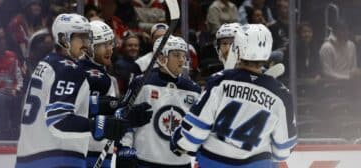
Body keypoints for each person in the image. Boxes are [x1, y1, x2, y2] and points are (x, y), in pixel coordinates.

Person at [15, 13, 152, 168]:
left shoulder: (48, 63)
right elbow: (58, 119)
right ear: (63, 39)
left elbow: (69, 104)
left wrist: (110, 106)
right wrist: (101, 125)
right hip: (57, 157)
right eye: (82, 38)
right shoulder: (69, 69)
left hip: (30, 155)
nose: (87, 45)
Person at [170, 24, 297, 168]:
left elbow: (195, 131)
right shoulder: (282, 94)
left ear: (238, 47)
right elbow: (283, 150)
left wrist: (179, 142)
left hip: (214, 162)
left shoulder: (220, 81)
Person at [117, 36, 201, 168]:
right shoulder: (142, 83)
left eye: (183, 55)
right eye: (176, 55)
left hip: (181, 163)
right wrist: (125, 148)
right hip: (145, 160)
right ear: (162, 58)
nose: (181, 59)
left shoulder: (193, 89)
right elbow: (125, 118)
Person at [77, 20, 119, 168]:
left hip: (95, 149)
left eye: (110, 44)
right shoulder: (94, 76)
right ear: (89, 48)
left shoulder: (101, 73)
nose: (110, 49)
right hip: (89, 150)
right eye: (104, 45)